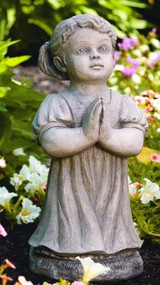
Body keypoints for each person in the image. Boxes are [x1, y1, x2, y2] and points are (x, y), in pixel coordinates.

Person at [29, 14, 148, 281]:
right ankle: (63, 253)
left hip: (110, 192)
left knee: (110, 219)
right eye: (83, 50)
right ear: (61, 62)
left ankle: (116, 250)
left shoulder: (122, 102)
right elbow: (51, 142)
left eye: (103, 49)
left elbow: (135, 143)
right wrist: (85, 134)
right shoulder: (57, 103)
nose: (96, 56)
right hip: (70, 191)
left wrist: (106, 136)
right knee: (70, 218)